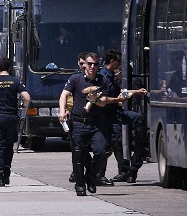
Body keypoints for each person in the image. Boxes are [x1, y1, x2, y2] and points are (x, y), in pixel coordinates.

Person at [58, 52, 111, 196]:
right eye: (89, 64)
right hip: (79, 123)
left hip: (96, 124)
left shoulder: (102, 80)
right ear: (84, 65)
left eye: (95, 64)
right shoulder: (76, 79)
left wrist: (94, 99)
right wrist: (62, 111)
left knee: (101, 151)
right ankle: (80, 185)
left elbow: (103, 102)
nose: (92, 67)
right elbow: (64, 95)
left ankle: (91, 177)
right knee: (79, 154)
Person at [95, 49, 147, 184]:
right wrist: (119, 100)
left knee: (139, 119)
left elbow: (120, 92)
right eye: (119, 61)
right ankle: (99, 175)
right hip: (107, 115)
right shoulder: (103, 76)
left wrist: (136, 92)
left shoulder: (111, 74)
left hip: (116, 114)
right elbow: (104, 99)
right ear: (112, 61)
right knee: (110, 145)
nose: (120, 64)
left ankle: (132, 163)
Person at [0, 57, 31, 186]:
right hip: (11, 117)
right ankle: (6, 174)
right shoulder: (15, 81)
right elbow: (27, 97)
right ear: (10, 68)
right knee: (9, 145)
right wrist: (21, 107)